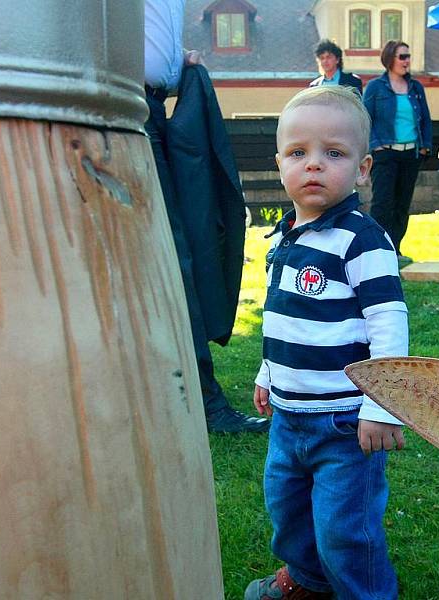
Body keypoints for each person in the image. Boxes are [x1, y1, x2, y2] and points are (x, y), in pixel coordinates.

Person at [245, 86, 408, 600]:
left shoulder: (362, 239)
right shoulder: (286, 234)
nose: (313, 165)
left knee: (345, 531)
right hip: (289, 418)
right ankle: (309, 582)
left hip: (343, 421)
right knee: (288, 512)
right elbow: (281, 316)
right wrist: (267, 374)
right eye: (299, 153)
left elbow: (388, 320)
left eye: (333, 153)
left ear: (362, 169)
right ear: (279, 165)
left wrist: (382, 406)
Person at [144, 0, 268, 433]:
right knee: (177, 253)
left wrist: (174, 60)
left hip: (155, 106)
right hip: (125, 109)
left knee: (194, 238)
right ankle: (204, 399)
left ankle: (192, 390)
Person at [362, 39, 432, 262]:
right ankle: (379, 250)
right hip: (384, 153)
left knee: (402, 204)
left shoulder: (416, 87)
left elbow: (426, 120)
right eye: (402, 56)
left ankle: (396, 249)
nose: (407, 61)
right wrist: (376, 146)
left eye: (408, 56)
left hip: (410, 154)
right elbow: (365, 119)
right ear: (390, 59)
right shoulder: (375, 87)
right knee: (383, 203)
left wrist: (424, 148)